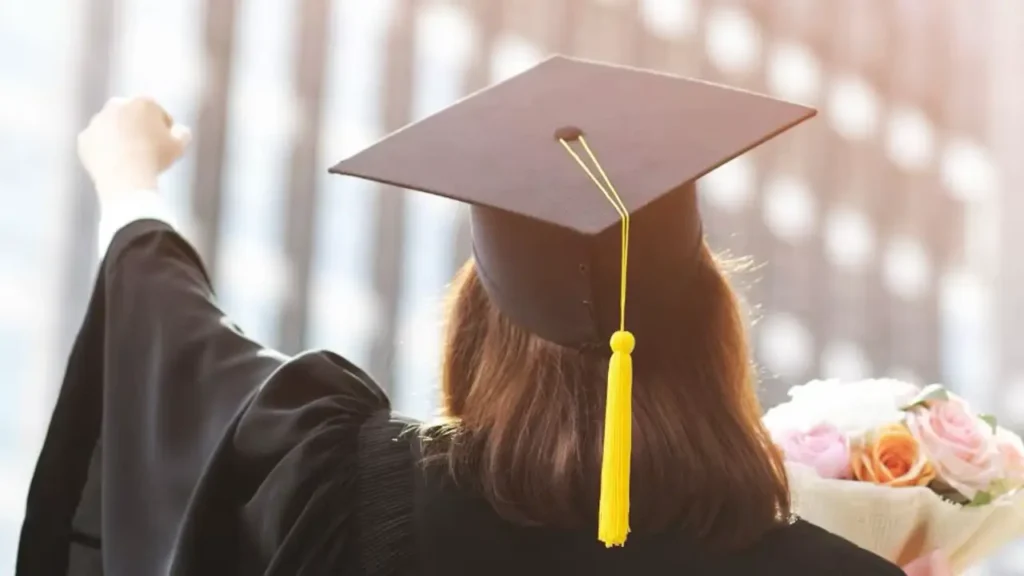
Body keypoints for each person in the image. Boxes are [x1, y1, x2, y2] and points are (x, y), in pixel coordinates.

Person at [17, 56, 925, 575]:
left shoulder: (351, 493)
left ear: (477, 327)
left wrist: (129, 187)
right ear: (713, 325)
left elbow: (182, 352)